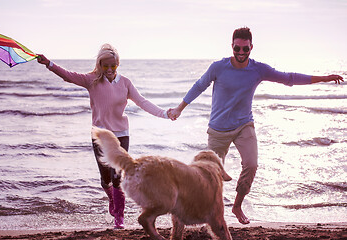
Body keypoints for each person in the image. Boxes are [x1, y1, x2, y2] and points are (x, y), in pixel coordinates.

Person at [168, 27, 343, 225]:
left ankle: (237, 205)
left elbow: (289, 78)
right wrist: (180, 108)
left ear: (251, 47)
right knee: (210, 176)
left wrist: (324, 78)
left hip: (244, 125)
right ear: (231, 46)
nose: (241, 53)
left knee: (251, 165)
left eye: (245, 49)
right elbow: (199, 85)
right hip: (218, 129)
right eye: (237, 48)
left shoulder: (258, 69)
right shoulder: (218, 67)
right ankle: (194, 210)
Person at [37, 44, 172, 229]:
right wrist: (49, 64)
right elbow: (68, 76)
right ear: (99, 65)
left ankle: (119, 217)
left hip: (121, 135)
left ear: (118, 65)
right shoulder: (91, 80)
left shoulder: (125, 83)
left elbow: (142, 101)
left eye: (113, 66)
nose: (109, 70)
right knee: (105, 179)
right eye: (105, 66)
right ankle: (112, 199)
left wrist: (164, 113)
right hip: (100, 135)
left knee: (117, 176)